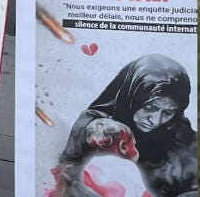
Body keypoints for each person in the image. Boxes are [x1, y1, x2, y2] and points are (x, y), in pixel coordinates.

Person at [52, 54, 196, 197]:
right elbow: (65, 175)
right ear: (132, 97)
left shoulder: (183, 139)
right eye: (150, 108)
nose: (155, 120)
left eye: (168, 112)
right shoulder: (93, 127)